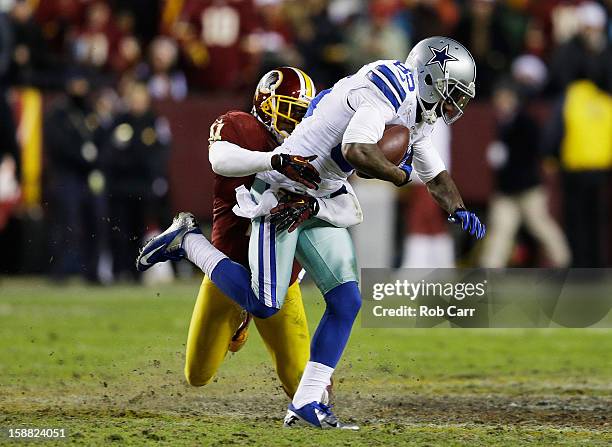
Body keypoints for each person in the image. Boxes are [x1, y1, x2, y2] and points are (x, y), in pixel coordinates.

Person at [137, 37, 485, 428]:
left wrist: (459, 209)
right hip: (283, 190)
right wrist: (398, 175)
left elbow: (435, 175)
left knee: (347, 301)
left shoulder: (418, 112)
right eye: (451, 93)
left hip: (321, 195)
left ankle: (305, 403)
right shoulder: (389, 85)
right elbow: (357, 151)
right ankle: (188, 240)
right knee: (265, 303)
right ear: (429, 78)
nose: (454, 105)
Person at [182, 66, 336, 399]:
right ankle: (187, 239)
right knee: (198, 374)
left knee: (305, 391)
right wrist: (275, 161)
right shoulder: (242, 127)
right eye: (291, 111)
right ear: (266, 104)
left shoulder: (319, 147)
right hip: (230, 266)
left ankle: (248, 316)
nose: (297, 122)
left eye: (303, 114)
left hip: (282, 278)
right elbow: (220, 159)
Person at [479, 82, 570, 268]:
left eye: (505, 98)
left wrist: (508, 156)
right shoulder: (500, 124)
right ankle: (489, 270)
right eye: (499, 99)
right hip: (507, 190)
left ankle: (563, 260)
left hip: (528, 188)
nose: (501, 103)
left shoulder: (525, 122)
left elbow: (532, 152)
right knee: (500, 230)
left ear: (514, 100)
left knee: (540, 225)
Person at [103, 82, 170, 280]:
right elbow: (110, 152)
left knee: (140, 230)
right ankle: (118, 270)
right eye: (135, 99)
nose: (138, 103)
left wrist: (156, 177)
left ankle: (135, 271)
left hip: (143, 186)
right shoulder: (119, 121)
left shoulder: (155, 121)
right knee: (119, 230)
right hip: (121, 186)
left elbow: (162, 152)